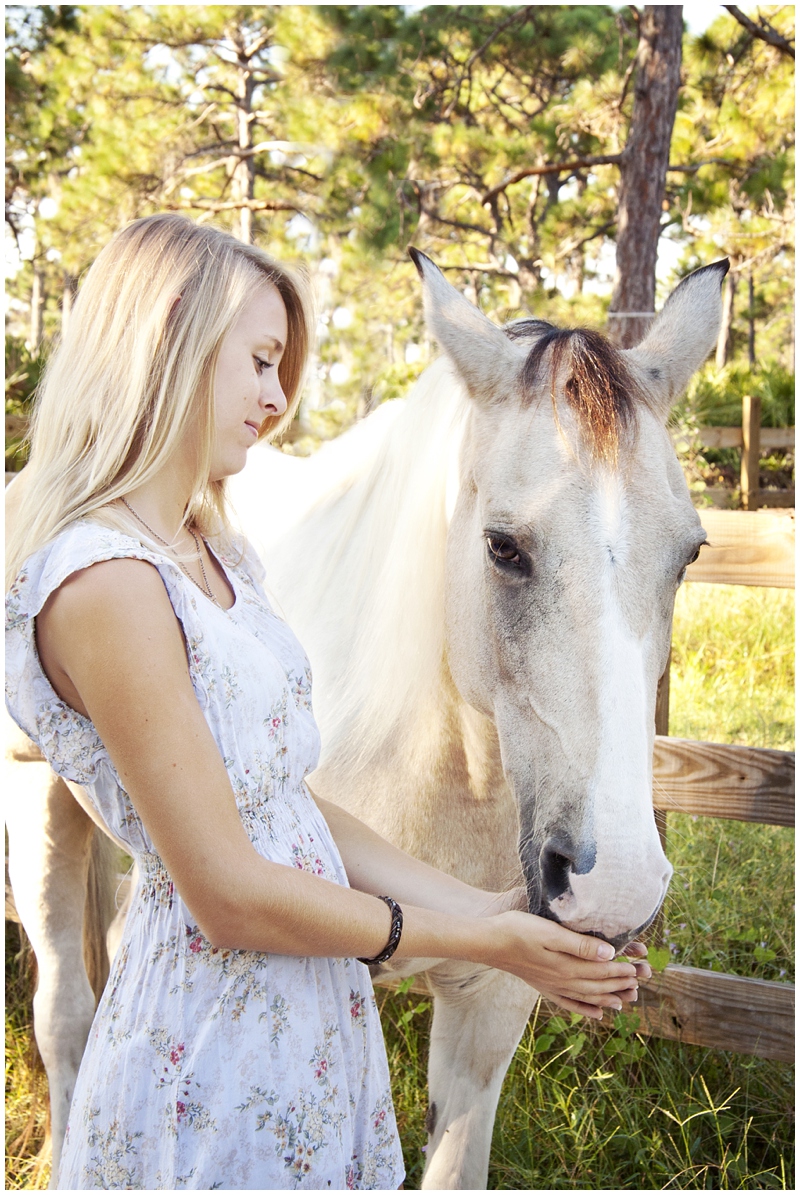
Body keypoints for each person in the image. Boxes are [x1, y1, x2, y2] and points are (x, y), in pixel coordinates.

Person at [5, 214, 650, 1191]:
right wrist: (481, 941)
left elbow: (283, 803)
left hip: (303, 1029)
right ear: (167, 339)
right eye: (261, 362)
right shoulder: (103, 585)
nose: (276, 400)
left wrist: (487, 900)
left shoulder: (215, 552)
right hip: (204, 1049)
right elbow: (225, 891)